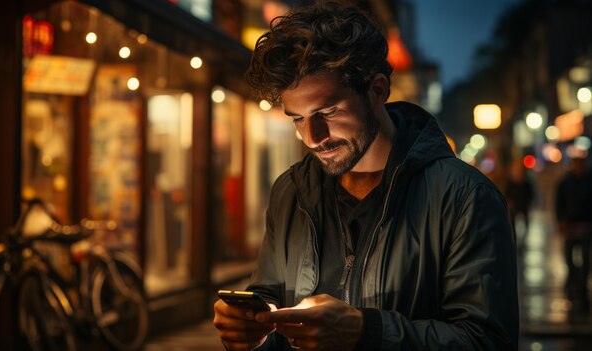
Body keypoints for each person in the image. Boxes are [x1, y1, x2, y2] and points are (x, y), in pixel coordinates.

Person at [213, 2, 519, 350]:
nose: (313, 136)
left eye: (328, 111)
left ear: (377, 90)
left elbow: (488, 341)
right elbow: (269, 297)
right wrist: (252, 326)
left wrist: (366, 332)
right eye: (297, 118)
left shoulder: (466, 197)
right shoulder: (291, 190)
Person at [556, 155, 592, 312]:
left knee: (585, 262)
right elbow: (559, 203)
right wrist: (561, 220)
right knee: (569, 260)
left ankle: (582, 293)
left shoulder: (589, 181)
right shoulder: (565, 183)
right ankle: (572, 288)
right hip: (570, 227)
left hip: (586, 226)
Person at [505, 160, 534, 249]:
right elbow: (508, 194)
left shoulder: (526, 183)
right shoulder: (511, 183)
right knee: (512, 224)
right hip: (514, 207)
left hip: (523, 205)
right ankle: (514, 240)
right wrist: (510, 203)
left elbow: (530, 194)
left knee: (526, 223)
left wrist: (529, 202)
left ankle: (523, 240)